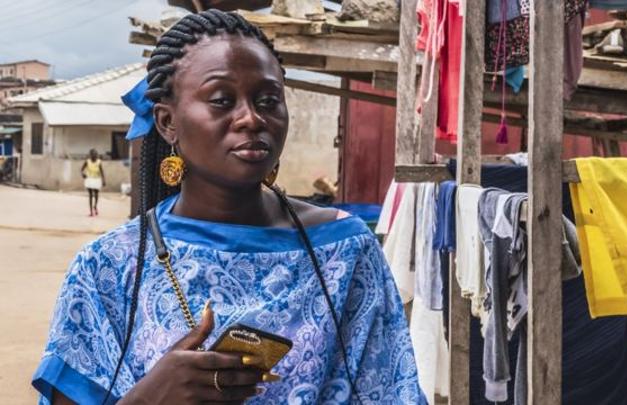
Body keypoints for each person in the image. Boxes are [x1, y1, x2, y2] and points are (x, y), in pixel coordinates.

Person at [33, 9, 425, 405]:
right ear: (167, 122)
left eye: (268, 100)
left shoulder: (344, 249)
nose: (251, 118)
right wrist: (151, 396)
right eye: (222, 100)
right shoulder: (109, 267)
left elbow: (394, 392)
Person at [80, 149, 105, 216]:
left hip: (97, 179)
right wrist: (83, 174)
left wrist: (103, 180)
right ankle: (91, 211)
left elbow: (102, 171)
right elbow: (81, 169)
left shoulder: (99, 162)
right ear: (90, 155)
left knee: (96, 194)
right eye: (93, 154)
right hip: (89, 179)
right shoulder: (87, 161)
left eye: (95, 154)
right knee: (90, 195)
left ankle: (95, 206)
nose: (94, 155)